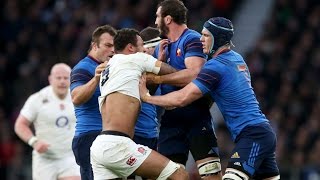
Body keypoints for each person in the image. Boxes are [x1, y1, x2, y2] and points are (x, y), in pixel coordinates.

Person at [139, 17, 280, 180]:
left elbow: (182, 98)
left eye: (206, 35)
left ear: (217, 38)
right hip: (262, 133)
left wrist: (148, 97)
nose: (201, 39)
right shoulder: (237, 58)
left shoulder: (215, 67)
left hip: (253, 136)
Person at [90, 28, 188, 179]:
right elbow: (177, 74)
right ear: (131, 48)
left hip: (100, 145)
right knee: (179, 174)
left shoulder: (108, 69)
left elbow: (134, 87)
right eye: (142, 45)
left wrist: (157, 63)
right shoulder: (137, 58)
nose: (144, 49)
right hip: (118, 145)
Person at [147, 0, 222, 178]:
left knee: (210, 175)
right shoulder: (161, 47)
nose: (155, 21)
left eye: (158, 16)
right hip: (171, 119)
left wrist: (160, 76)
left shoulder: (192, 39)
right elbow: (150, 87)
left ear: (168, 19)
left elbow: (195, 74)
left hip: (196, 115)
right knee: (171, 175)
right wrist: (161, 63)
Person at [14, 63, 80, 180]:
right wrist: (34, 142)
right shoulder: (37, 99)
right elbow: (20, 125)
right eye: (58, 78)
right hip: (45, 159)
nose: (62, 81)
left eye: (66, 78)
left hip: (70, 157)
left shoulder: (78, 97)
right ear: (50, 79)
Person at [70, 25, 117, 180]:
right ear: (95, 46)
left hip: (106, 135)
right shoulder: (83, 68)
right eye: (108, 45)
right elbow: (76, 98)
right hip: (89, 136)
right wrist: (95, 79)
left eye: (114, 47)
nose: (112, 50)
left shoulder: (109, 68)